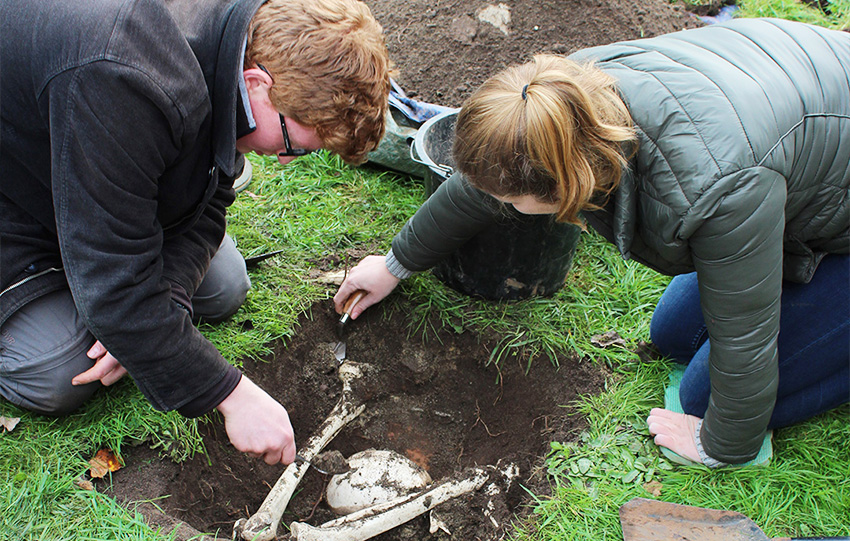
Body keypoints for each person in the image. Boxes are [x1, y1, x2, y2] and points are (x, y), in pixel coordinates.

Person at [333, 18, 850, 468]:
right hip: (796, 140)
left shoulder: (718, 189)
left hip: (782, 168)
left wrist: (725, 443)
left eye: (509, 198)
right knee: (674, 333)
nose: (497, 204)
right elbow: (476, 187)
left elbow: (745, 332)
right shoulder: (567, 101)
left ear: (565, 186)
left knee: (703, 398)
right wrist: (395, 264)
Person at [0, 0, 391, 465]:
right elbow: (115, 284)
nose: (286, 160)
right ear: (256, 84)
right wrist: (231, 393)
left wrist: (157, 309)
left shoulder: (232, 45)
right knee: (59, 370)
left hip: (86, 172)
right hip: (17, 194)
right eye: (294, 146)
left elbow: (211, 197)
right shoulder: (123, 77)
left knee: (223, 285)